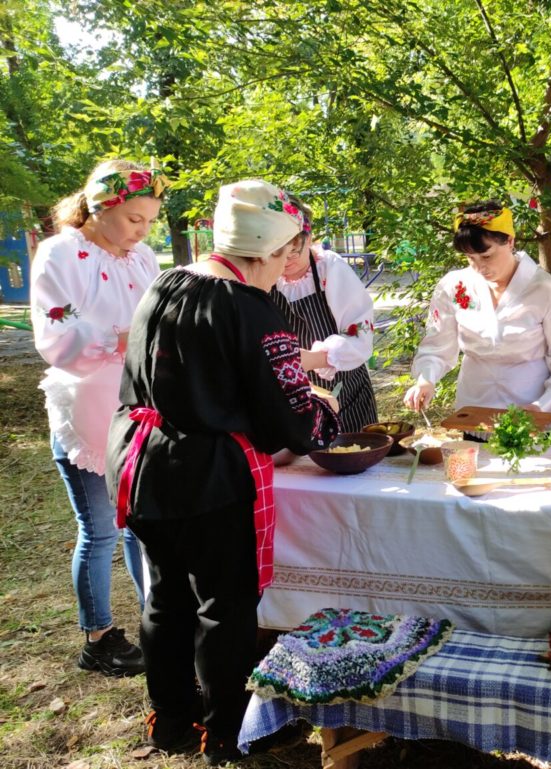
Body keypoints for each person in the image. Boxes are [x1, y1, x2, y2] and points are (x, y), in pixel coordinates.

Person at [105, 180, 340, 764]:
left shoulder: (166, 281)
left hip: (141, 463)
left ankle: (171, 722)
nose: (287, 269)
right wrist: (324, 414)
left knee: (165, 599)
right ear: (263, 251)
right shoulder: (247, 307)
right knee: (225, 608)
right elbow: (289, 417)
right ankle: (224, 732)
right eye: (286, 255)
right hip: (208, 475)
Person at [31, 159, 168, 677]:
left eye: (150, 220)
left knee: (140, 525)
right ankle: (98, 635)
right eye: (135, 219)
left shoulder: (141, 257)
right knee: (100, 530)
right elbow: (56, 338)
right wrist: (120, 339)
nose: (144, 231)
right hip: (87, 408)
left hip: (140, 408)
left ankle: (156, 618)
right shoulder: (61, 253)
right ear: (100, 206)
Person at [403, 201, 551, 417]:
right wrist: (426, 379)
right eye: (470, 258)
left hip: (531, 408)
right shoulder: (454, 286)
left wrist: (544, 403)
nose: (479, 267)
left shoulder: (547, 291)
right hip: (473, 407)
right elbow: (437, 344)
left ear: (510, 241)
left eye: (486, 256)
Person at [270, 194, 378, 432]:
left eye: (294, 252)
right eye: (278, 253)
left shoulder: (329, 268)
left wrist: (314, 359)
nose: (286, 262)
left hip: (347, 393)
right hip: (293, 397)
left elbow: (361, 333)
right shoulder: (265, 276)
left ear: (308, 238)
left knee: (352, 456)